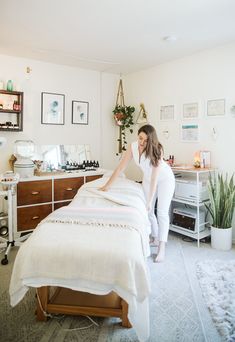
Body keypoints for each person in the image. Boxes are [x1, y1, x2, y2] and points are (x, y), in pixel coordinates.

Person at [99, 124, 175, 263]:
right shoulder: (133, 147)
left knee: (162, 212)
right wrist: (107, 186)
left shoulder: (157, 149)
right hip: (147, 178)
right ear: (137, 136)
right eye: (140, 138)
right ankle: (155, 237)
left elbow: (154, 178)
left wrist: (150, 200)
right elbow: (121, 167)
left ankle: (161, 247)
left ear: (151, 141)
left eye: (146, 141)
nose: (142, 142)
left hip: (164, 179)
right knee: (149, 212)